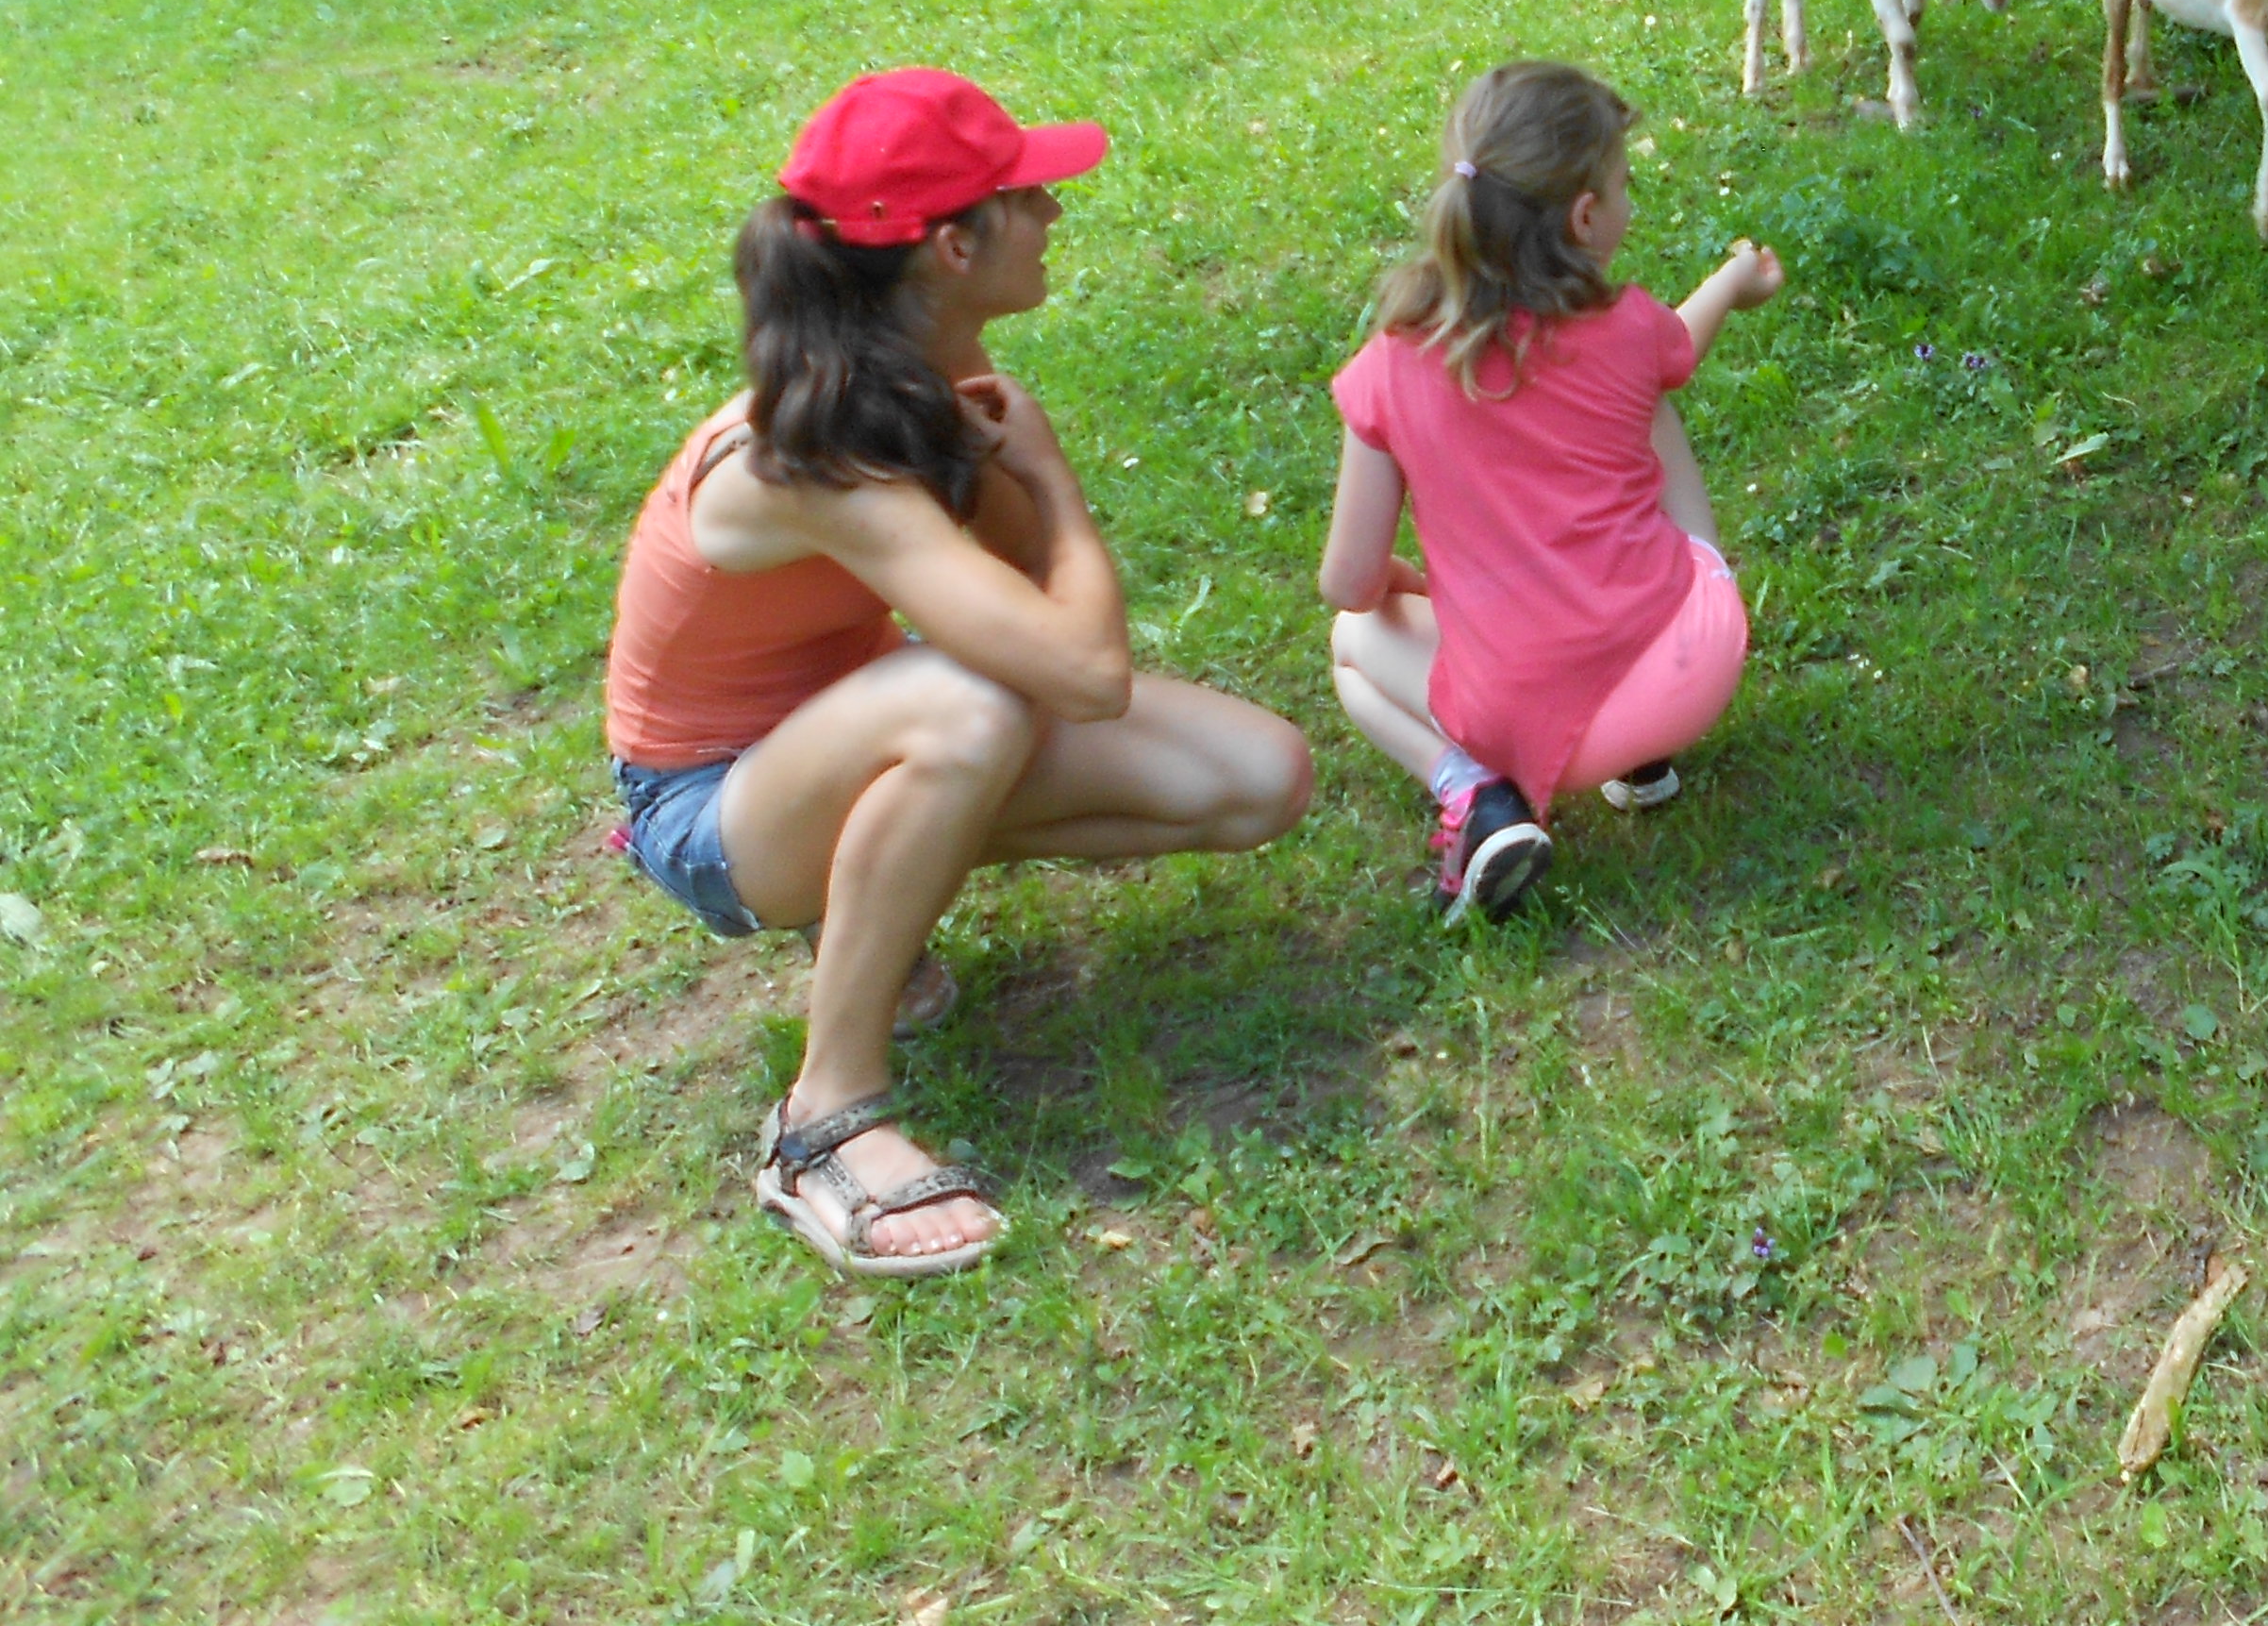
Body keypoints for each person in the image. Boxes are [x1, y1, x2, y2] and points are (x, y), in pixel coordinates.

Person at [604, 68, 1315, 1278]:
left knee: (1257, 776)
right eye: (1027, 197)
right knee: (969, 702)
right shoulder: (818, 456)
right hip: (709, 811)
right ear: (950, 247)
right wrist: (1051, 479)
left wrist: (1011, 480)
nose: (1054, 213)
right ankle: (823, 1121)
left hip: (842, 741)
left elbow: (1036, 603)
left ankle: (876, 892)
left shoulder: (917, 380)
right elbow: (1083, 671)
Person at [1319, 61, 1784, 925]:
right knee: (1652, 404)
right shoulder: (1627, 326)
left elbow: (1349, 583)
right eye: (1625, 186)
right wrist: (1731, 283)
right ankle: (1644, 758)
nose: (1630, 204)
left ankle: (1477, 795)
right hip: (1694, 657)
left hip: (1532, 717)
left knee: (1352, 644)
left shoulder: (1388, 368)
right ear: (1585, 216)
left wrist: (1401, 587)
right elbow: (1677, 345)